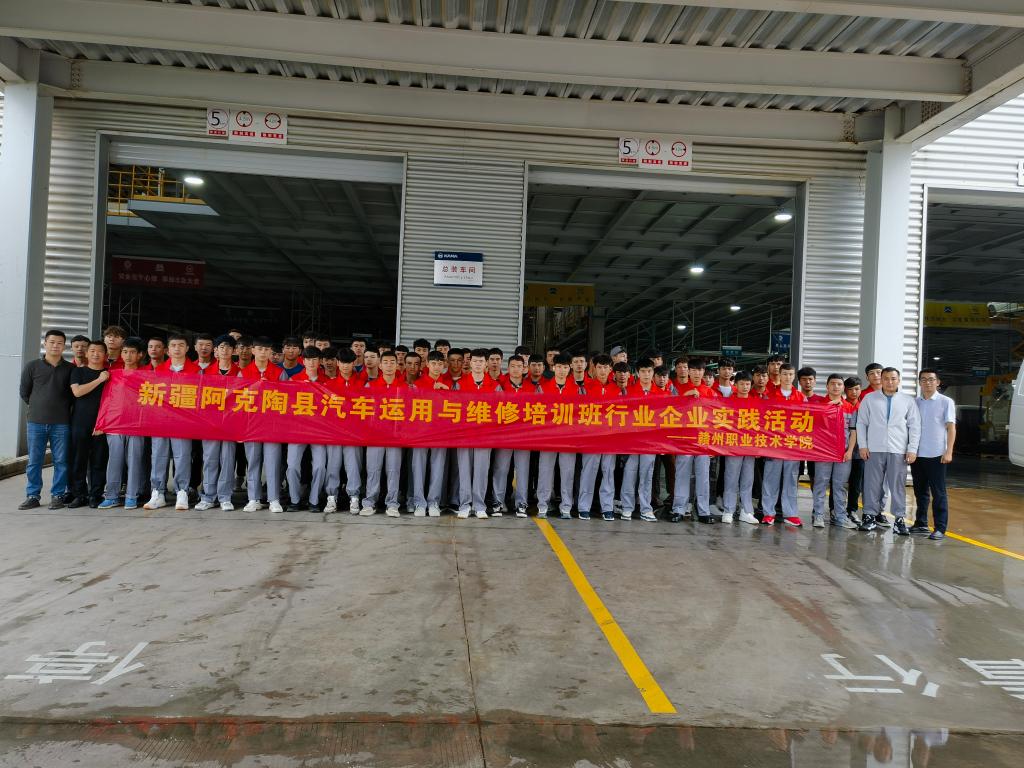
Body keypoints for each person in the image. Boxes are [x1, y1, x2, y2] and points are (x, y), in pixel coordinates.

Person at [856, 367, 921, 535]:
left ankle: (899, 520)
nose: (889, 382)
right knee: (872, 484)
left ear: (898, 380)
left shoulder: (907, 400)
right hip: (874, 448)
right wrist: (863, 445)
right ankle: (869, 516)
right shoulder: (870, 398)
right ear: (881, 380)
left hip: (898, 449)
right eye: (886, 378)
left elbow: (914, 426)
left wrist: (912, 449)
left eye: (893, 378)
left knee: (897, 486)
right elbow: (861, 423)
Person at [19, 330, 75, 510]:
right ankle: (32, 495)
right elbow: (24, 392)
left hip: (61, 422)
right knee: (34, 461)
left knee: (61, 461)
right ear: (45, 344)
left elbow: (73, 396)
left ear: (64, 346)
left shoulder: (70, 369)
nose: (55, 346)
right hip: (36, 421)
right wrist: (39, 406)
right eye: (52, 342)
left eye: (59, 343)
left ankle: (57, 495)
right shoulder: (32, 366)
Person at [143, 333, 200, 512]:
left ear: (187, 348)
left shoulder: (196, 371)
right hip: (160, 421)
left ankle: (182, 491)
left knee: (182, 456)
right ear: (168, 350)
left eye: (181, 345)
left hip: (183, 422)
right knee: (158, 455)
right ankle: (157, 492)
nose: (177, 349)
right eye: (173, 345)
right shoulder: (158, 370)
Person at [237, 336, 285, 514]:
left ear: (271, 352)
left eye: (266, 349)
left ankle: (274, 499)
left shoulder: (279, 373)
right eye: (260, 349)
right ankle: (253, 498)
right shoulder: (244, 373)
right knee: (253, 462)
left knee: (273, 463)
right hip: (251, 426)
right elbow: (238, 402)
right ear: (253, 350)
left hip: (272, 426)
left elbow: (288, 398)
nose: (263, 352)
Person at [453, 348, 501, 519]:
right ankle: (465, 504)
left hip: (484, 435)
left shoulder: (495, 386)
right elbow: (454, 407)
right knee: (464, 470)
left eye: (481, 361)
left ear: (486, 363)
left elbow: (500, 410)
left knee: (481, 470)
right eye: (475, 361)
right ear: (470, 363)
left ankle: (479, 505)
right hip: (464, 434)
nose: (478, 364)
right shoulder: (460, 384)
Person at [99, 337, 146, 510]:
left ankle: (131, 496)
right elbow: (106, 400)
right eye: (125, 352)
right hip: (115, 424)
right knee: (114, 460)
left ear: (140, 355)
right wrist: (101, 423)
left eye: (132, 352)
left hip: (136, 425)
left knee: (134, 461)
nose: (128, 355)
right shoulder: (113, 374)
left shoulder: (146, 375)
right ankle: (111, 496)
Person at [193, 334, 238, 512]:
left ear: (233, 351)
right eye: (221, 347)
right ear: (216, 350)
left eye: (228, 347)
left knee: (227, 460)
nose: (225, 350)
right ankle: (208, 496)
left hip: (230, 424)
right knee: (210, 460)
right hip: (210, 424)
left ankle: (225, 496)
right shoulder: (204, 373)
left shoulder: (240, 373)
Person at [910, 369, 956, 541]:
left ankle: (940, 528)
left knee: (939, 493)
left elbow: (951, 428)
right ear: (919, 382)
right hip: (918, 454)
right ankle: (921, 523)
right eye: (923, 379)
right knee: (920, 492)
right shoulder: (915, 402)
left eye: (931, 379)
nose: (927, 382)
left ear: (938, 382)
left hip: (937, 454)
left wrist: (949, 451)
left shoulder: (946, 402)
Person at [671, 357, 718, 524]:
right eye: (694, 370)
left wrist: (713, 445)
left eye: (700, 370)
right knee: (682, 475)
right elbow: (671, 410)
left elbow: (716, 420)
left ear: (704, 372)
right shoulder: (678, 389)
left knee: (703, 476)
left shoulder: (710, 392)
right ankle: (678, 509)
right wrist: (685, 396)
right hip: (684, 439)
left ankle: (703, 511)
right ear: (688, 371)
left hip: (703, 440)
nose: (697, 373)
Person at [620, 358, 666, 522]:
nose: (646, 374)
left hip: (650, 442)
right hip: (632, 441)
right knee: (629, 473)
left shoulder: (662, 394)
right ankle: (627, 507)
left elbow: (665, 421)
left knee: (647, 475)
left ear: (653, 373)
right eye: (643, 371)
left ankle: (646, 508)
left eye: (649, 371)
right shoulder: (628, 392)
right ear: (637, 373)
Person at [361, 350, 407, 517]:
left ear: (397, 366)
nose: (388, 365)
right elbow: (364, 412)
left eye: (392, 362)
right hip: (375, 436)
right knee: (373, 470)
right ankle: (369, 502)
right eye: (385, 362)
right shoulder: (370, 386)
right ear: (380, 365)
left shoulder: (404, 387)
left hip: (395, 436)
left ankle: (392, 503)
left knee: (393, 470)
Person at [761, 362, 806, 527]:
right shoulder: (769, 396)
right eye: (785, 374)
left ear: (795, 377)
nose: (787, 377)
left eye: (790, 374)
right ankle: (768, 513)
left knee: (791, 480)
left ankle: (790, 514)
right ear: (779, 375)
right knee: (770, 479)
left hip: (792, 445)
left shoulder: (801, 397)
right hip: (774, 444)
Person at [811, 374, 858, 530]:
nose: (836, 387)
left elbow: (853, 431)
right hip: (823, 453)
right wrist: (828, 407)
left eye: (839, 384)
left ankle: (840, 516)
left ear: (843, 387)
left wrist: (850, 451)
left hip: (843, 453)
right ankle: (818, 515)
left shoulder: (850, 408)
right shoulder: (819, 405)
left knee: (840, 485)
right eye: (832, 384)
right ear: (827, 386)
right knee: (820, 483)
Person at [67, 340, 111, 508]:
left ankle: (95, 495)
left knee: (99, 461)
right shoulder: (78, 372)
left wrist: (104, 424)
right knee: (78, 460)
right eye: (92, 350)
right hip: (80, 422)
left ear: (106, 355)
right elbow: (77, 392)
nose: (95, 354)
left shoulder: (111, 374)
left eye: (100, 351)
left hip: (102, 425)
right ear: (86, 353)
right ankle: (80, 495)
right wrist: (99, 380)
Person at [490, 355, 535, 517]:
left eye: (519, 366)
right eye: (513, 366)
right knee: (501, 469)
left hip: (524, 436)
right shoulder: (499, 386)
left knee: (523, 470)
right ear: (508, 368)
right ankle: (497, 502)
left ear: (524, 369)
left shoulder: (533, 388)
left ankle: (521, 503)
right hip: (504, 435)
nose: (516, 369)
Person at [284, 347, 328, 512]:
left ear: (320, 361)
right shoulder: (294, 379)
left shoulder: (327, 381)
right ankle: (294, 499)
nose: (311, 363)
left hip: (320, 431)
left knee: (320, 466)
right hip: (298, 430)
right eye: (308, 359)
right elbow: (287, 405)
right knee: (292, 466)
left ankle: (314, 500)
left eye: (315, 359)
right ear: (303, 361)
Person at [323, 348, 365, 514]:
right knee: (333, 465)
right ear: (337, 363)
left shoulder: (363, 384)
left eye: (349, 362)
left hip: (354, 434)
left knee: (353, 465)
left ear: (354, 363)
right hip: (334, 433)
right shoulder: (329, 385)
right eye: (342, 362)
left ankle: (354, 497)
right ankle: (331, 496)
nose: (345, 366)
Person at [410, 350, 451, 517]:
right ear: (427, 364)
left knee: (438, 467)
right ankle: (419, 502)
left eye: (440, 364)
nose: (436, 367)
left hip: (441, 432)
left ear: (444, 365)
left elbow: (456, 407)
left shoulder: (449, 385)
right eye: (433, 363)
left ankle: (433, 501)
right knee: (418, 467)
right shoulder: (417, 384)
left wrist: (446, 391)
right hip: (420, 432)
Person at [577, 354, 617, 521]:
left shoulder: (617, 389)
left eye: (605, 367)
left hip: (610, 438)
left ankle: (607, 507)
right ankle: (583, 507)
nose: (602, 371)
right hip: (591, 438)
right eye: (599, 367)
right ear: (594, 368)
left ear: (610, 369)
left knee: (608, 472)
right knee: (588, 471)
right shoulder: (585, 388)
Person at [721, 371, 759, 525]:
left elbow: (762, 426)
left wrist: (759, 447)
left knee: (747, 479)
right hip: (733, 445)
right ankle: (728, 510)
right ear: (735, 385)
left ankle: (746, 511)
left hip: (750, 446)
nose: (745, 387)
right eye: (742, 384)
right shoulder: (728, 402)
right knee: (731, 478)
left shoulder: (756, 402)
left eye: (748, 384)